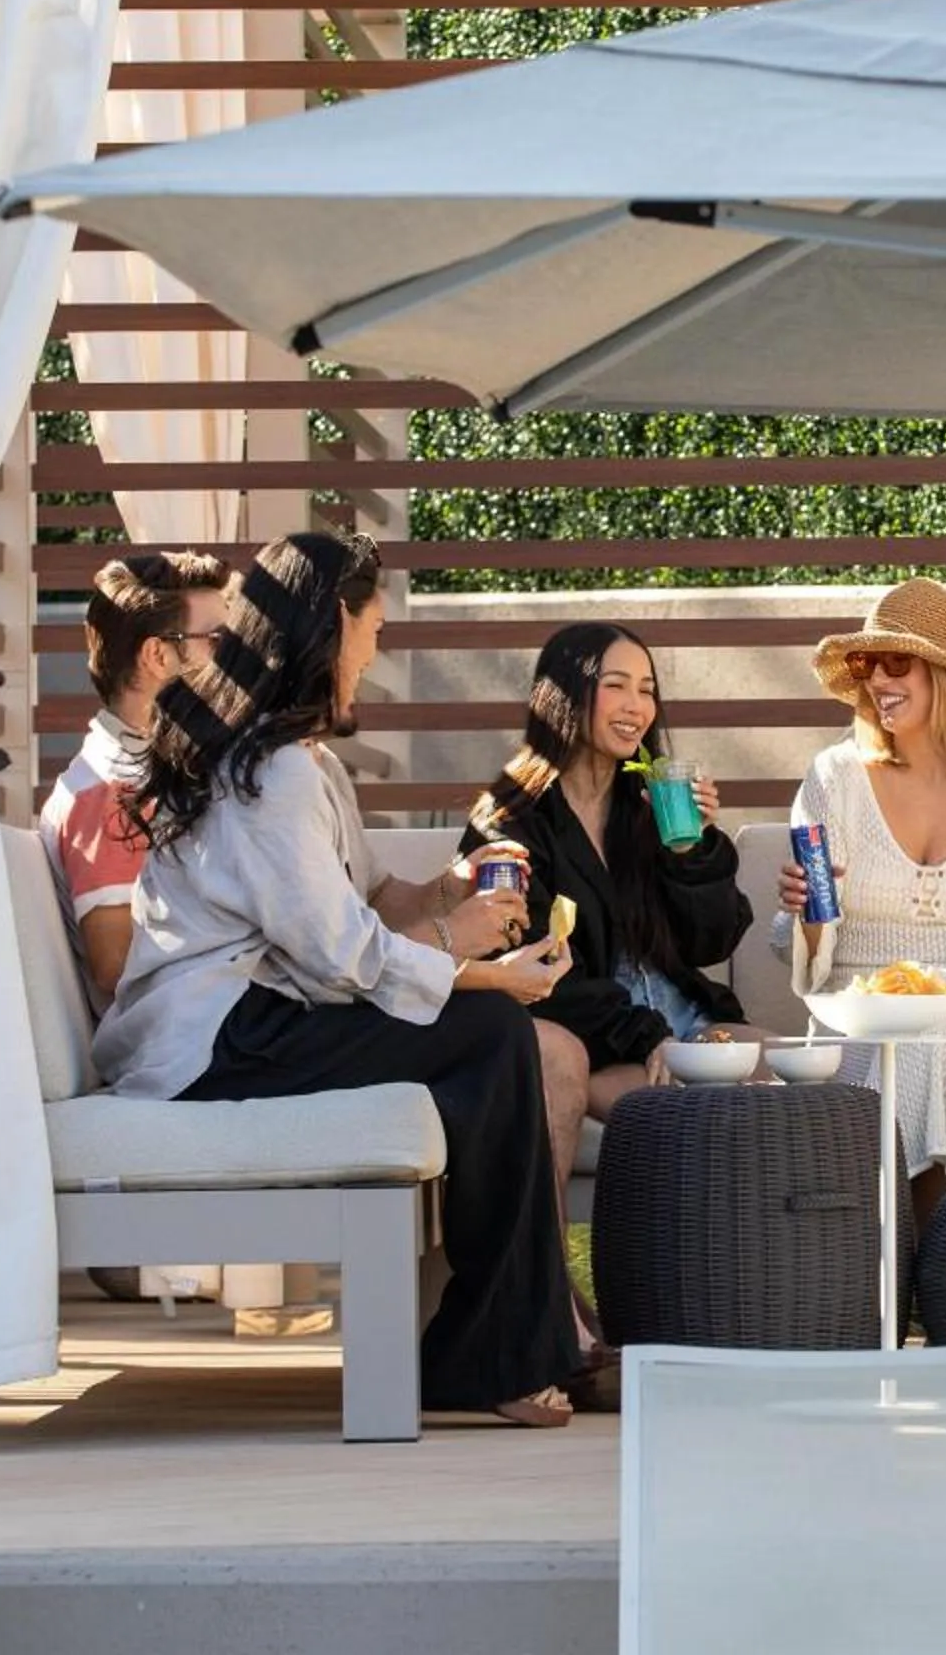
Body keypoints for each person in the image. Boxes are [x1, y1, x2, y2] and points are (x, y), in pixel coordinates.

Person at [104, 531, 586, 1428]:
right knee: (492, 1037)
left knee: (492, 1043)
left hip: (259, 1018)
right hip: (219, 1041)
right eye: (371, 631)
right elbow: (341, 954)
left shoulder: (301, 761)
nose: (375, 653)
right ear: (332, 627)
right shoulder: (271, 772)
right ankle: (490, 1354)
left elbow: (365, 898)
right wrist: (475, 962)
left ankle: (490, 1348)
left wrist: (451, 886)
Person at [775, 579, 946, 1217]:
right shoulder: (834, 778)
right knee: (913, 1041)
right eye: (865, 662)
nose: (877, 678)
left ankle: (887, 1269)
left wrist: (924, 992)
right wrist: (807, 917)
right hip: (856, 1010)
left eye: (896, 660)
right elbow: (805, 954)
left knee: (934, 1029)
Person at [461, 623, 755, 1129]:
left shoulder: (649, 806)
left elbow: (712, 944)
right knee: (694, 1120)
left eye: (647, 690)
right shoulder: (510, 823)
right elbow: (536, 970)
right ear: (567, 694)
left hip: (682, 1019)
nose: (636, 706)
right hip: (597, 1039)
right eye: (616, 685)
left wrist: (691, 849)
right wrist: (646, 1038)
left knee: (804, 1089)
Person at [36, 549, 225, 1013]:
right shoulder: (109, 791)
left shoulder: (159, 771)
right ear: (158, 654)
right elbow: (116, 961)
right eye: (219, 641)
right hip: (194, 1041)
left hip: (223, 1020)